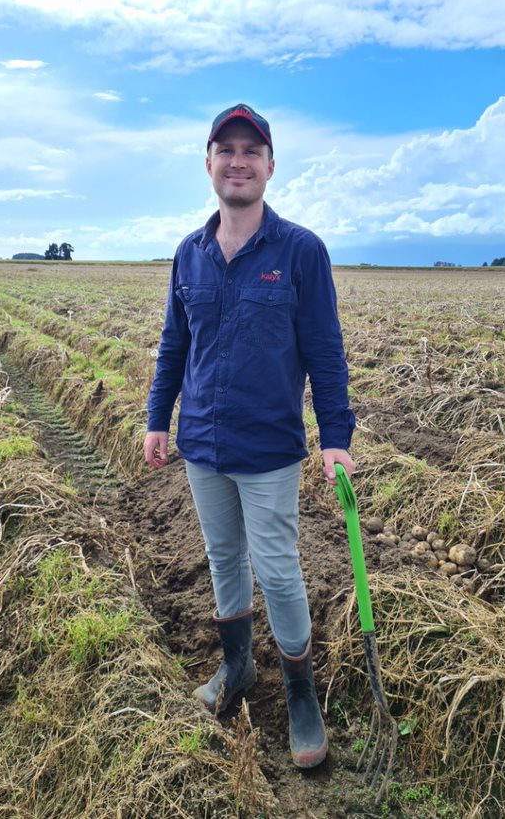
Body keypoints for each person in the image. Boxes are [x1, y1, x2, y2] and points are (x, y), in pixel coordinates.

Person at [144, 103, 355, 768]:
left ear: (269, 165)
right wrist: (157, 418)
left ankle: (300, 691)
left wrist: (335, 435)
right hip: (202, 444)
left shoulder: (300, 251)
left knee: (280, 571)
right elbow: (174, 344)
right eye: (225, 149)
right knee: (223, 557)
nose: (238, 161)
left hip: (268, 450)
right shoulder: (190, 253)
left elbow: (326, 351)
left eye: (250, 151)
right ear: (208, 163)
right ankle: (237, 669)